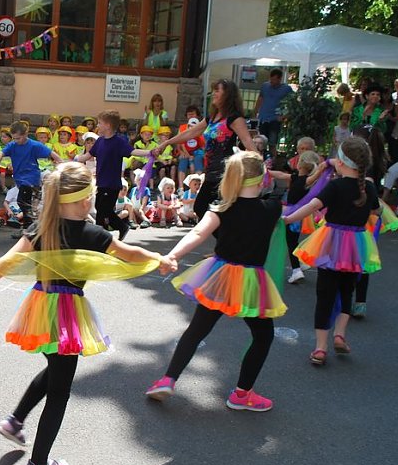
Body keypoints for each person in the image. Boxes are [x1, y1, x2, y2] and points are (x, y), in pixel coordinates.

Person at [0, 162, 169, 465]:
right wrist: (160, 259)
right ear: (85, 200)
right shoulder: (94, 234)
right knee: (60, 390)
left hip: (40, 308)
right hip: (67, 314)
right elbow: (130, 253)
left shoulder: (41, 229)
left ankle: (15, 421)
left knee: (55, 367)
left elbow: (5, 263)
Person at [146, 151, 285, 411]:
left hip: (219, 277)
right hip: (251, 282)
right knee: (263, 335)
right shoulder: (271, 208)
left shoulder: (222, 208)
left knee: (196, 330)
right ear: (261, 179)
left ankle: (168, 379)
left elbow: (198, 233)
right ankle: (242, 394)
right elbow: (295, 205)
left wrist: (172, 256)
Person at [284, 137, 381, 366]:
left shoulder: (336, 186)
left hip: (331, 243)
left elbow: (311, 205)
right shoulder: (368, 187)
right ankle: (340, 335)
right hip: (356, 245)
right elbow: (376, 212)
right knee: (347, 290)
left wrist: (287, 219)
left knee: (325, 294)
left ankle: (320, 348)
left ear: (341, 162)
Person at [155, 79, 257, 222]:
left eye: (217, 91)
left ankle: (225, 234)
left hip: (225, 172)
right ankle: (224, 234)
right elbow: (190, 132)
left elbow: (247, 141)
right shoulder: (212, 118)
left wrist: (261, 165)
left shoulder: (234, 118)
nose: (213, 94)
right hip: (210, 171)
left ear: (227, 94)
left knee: (209, 207)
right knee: (204, 208)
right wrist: (167, 142)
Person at [76, 111, 152, 241]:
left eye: (100, 123)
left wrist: (150, 152)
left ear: (108, 125)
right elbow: (87, 155)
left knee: (103, 210)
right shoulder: (99, 141)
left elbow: (133, 151)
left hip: (112, 183)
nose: (97, 125)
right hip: (101, 182)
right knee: (101, 209)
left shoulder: (118, 142)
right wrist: (74, 159)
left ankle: (107, 233)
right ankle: (110, 231)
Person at [0, 121, 62, 239]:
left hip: (31, 178)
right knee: (26, 204)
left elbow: (52, 153)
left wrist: (61, 164)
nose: (15, 140)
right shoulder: (13, 145)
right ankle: (31, 228)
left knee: (22, 201)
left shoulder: (34, 145)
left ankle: (29, 229)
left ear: (25, 134)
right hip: (19, 179)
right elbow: (1, 153)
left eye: (18, 138)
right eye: (14, 138)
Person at [270, 151, 323, 284]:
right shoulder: (295, 177)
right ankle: (300, 263)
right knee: (292, 240)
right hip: (294, 213)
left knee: (291, 242)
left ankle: (296, 270)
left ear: (300, 164)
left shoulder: (307, 180)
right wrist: (268, 172)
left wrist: (323, 167)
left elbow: (317, 174)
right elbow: (281, 174)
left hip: (295, 214)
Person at [254, 69, 293, 154]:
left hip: (275, 119)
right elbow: (260, 98)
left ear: (280, 79)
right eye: (271, 79)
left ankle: (272, 158)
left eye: (274, 80)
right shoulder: (265, 86)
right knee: (261, 142)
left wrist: (284, 116)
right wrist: (256, 110)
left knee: (272, 142)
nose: (272, 82)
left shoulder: (286, 89)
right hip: (263, 118)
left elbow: (292, 103)